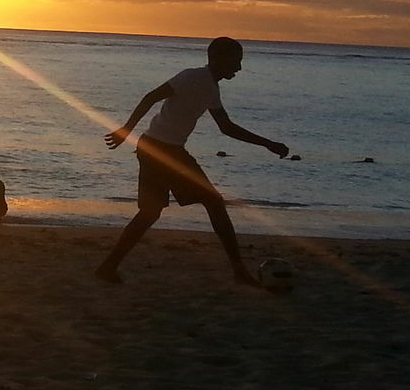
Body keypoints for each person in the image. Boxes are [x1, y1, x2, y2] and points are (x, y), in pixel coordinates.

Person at [96, 37, 287, 286]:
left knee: (153, 212)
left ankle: (108, 267)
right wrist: (126, 130)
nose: (239, 68)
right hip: (159, 149)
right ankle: (239, 271)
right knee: (213, 202)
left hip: (163, 149)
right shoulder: (191, 77)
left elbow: (226, 127)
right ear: (218, 59)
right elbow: (150, 97)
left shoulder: (211, 88)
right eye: (236, 62)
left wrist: (267, 144)